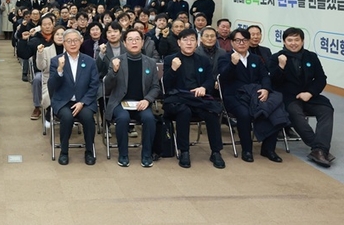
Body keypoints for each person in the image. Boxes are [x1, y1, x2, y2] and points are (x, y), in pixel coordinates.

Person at [268, 27, 335, 167]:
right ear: (284, 42)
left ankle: (319, 149)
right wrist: (281, 66)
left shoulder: (311, 57)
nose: (293, 43)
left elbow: (321, 78)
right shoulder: (276, 58)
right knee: (294, 112)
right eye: (290, 40)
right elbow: (274, 82)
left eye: (297, 40)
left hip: (309, 96)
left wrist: (310, 93)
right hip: (288, 97)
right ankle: (319, 148)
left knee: (326, 110)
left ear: (302, 41)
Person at [218, 29, 287, 163]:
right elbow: (223, 79)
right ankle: (247, 149)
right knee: (244, 114)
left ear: (249, 42)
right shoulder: (225, 58)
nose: (242, 43)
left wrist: (266, 89)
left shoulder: (255, 59)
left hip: (255, 94)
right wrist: (232, 64)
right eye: (238, 40)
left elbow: (265, 76)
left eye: (245, 40)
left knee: (273, 108)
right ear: (232, 42)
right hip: (234, 96)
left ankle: (268, 149)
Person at [162, 28, 225, 169]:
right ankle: (184, 151)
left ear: (197, 43)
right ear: (179, 42)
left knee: (212, 112)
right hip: (177, 99)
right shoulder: (170, 59)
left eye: (192, 40)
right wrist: (173, 69)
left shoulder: (203, 60)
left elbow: (209, 80)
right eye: (185, 40)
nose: (189, 43)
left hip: (198, 99)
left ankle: (216, 152)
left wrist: (204, 87)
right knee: (184, 112)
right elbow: (165, 85)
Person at [104, 28, 160, 167]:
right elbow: (107, 87)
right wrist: (114, 72)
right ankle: (123, 155)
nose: (134, 42)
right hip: (120, 103)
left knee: (149, 118)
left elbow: (155, 87)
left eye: (137, 39)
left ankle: (146, 155)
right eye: (130, 39)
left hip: (141, 103)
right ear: (124, 43)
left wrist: (147, 100)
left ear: (142, 42)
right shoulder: (116, 61)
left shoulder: (150, 62)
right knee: (123, 118)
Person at [48, 29, 100, 166]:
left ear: (81, 41)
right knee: (67, 117)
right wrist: (59, 69)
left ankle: (89, 151)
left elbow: (94, 85)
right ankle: (64, 151)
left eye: (75, 40)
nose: (72, 44)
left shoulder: (89, 61)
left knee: (88, 118)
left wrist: (83, 102)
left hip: (84, 101)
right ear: (64, 43)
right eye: (69, 41)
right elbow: (52, 86)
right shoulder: (56, 61)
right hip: (63, 101)